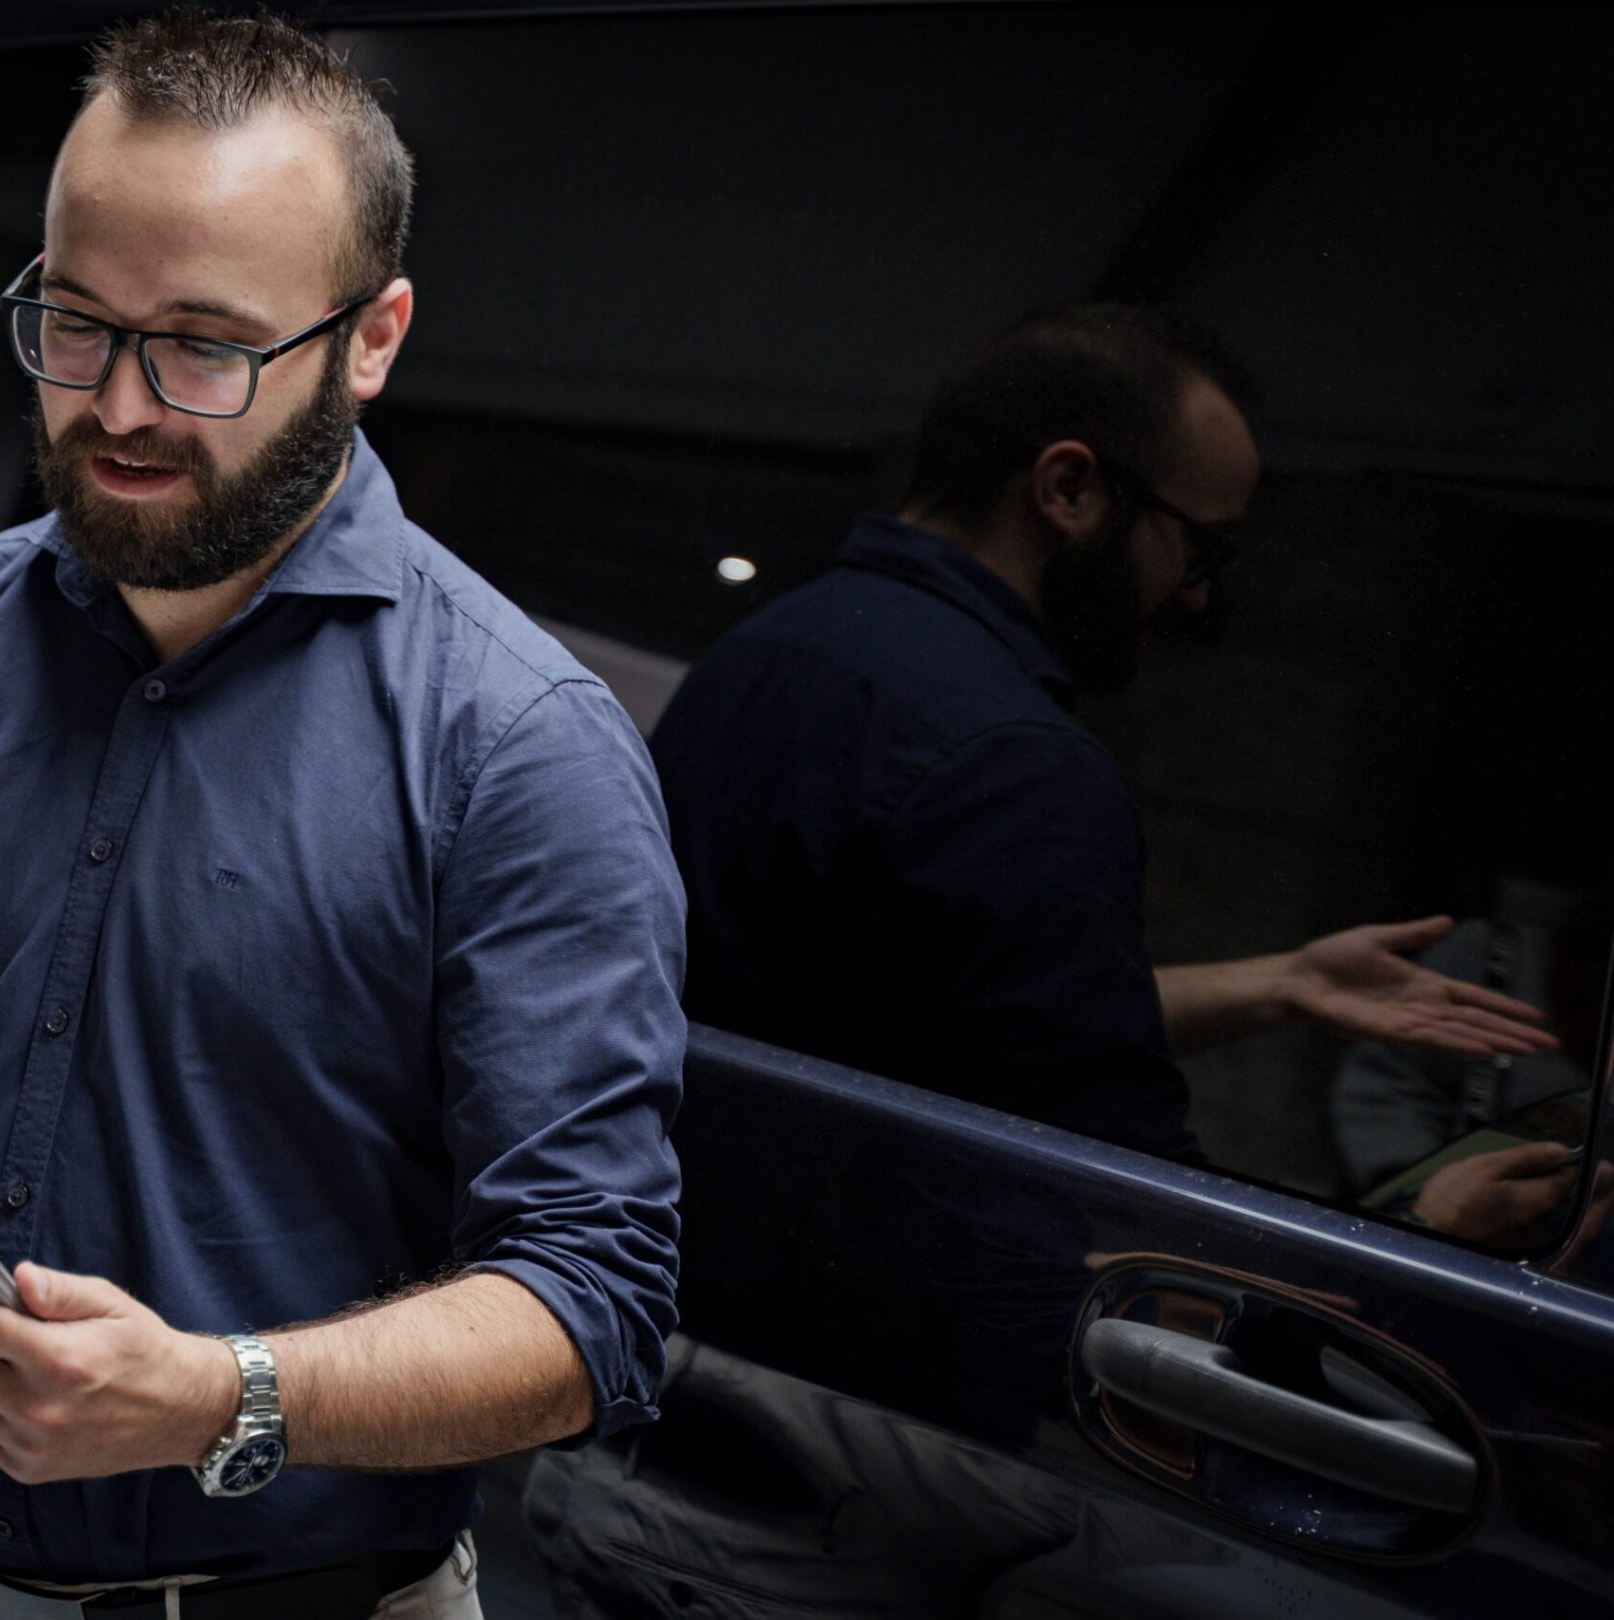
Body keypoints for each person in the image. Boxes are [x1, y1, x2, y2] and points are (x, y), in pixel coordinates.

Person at [0, 10, 685, 1618]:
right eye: (76, 323)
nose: (122, 408)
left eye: (205, 347)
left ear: (371, 340)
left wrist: (222, 1393)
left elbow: (592, 1310)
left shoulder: (518, 748)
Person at [649, 304, 1553, 1160]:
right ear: (1069, 488)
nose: (1196, 592)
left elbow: (936, 1026)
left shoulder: (770, 646)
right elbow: (1117, 1181)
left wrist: (1282, 984)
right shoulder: (1013, 759)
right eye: (1198, 546)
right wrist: (1425, 1234)